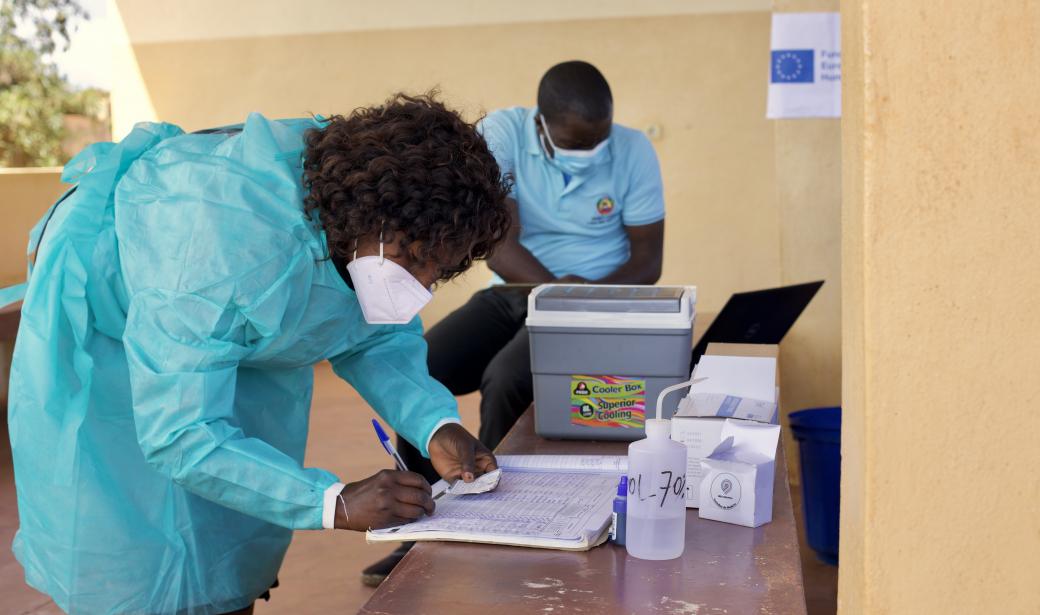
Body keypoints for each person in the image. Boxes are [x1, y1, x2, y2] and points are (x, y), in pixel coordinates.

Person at [7, 93, 511, 614]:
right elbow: (180, 434)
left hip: (217, 319)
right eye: (415, 261)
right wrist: (333, 502)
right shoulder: (221, 247)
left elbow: (374, 335)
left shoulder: (370, 230)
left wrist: (435, 426)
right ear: (373, 215)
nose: (422, 283)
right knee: (130, 544)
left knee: (230, 527)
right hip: (107, 333)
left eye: (439, 268)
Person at [364, 60, 665, 584]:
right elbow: (498, 243)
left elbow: (648, 262)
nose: (587, 152)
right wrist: (555, 293)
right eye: (572, 143)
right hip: (517, 289)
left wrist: (577, 301)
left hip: (596, 304)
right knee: (421, 371)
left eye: (597, 140)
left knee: (505, 378)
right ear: (541, 125)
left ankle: (501, 525)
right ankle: (418, 528)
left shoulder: (634, 149)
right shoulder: (502, 133)